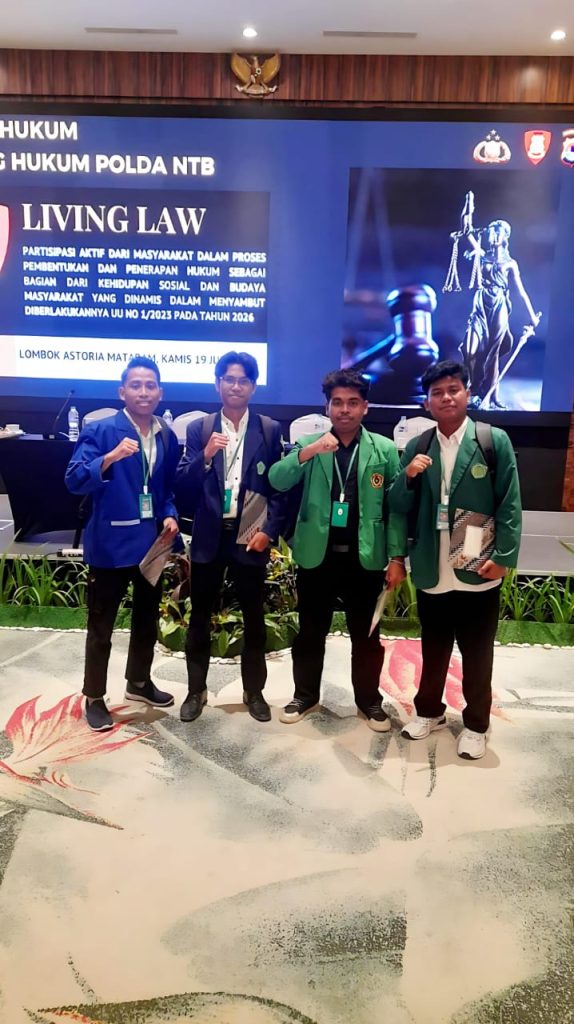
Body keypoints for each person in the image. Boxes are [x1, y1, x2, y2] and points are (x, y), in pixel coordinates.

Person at [389, 360, 521, 759]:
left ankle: (477, 723)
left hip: (478, 559)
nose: (446, 397)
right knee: (433, 646)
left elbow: (509, 503)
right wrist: (408, 476)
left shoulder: (492, 441)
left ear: (467, 394)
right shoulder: (419, 445)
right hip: (433, 561)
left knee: (477, 651)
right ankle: (429, 711)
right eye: (437, 392)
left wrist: (505, 556)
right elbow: (397, 504)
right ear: (427, 402)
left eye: (453, 390)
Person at [268, 369, 407, 730]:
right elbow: (277, 479)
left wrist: (396, 557)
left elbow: (395, 508)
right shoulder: (310, 444)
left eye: (353, 402)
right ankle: (305, 695)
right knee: (310, 632)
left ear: (365, 407)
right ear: (327, 407)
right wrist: (311, 451)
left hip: (366, 557)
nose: (345, 409)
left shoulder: (384, 449)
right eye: (338, 402)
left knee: (367, 636)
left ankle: (369, 700)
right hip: (318, 555)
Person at [65, 357, 180, 732]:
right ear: (122, 392)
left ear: (160, 392)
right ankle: (94, 696)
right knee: (102, 626)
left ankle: (139, 682)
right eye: (136, 385)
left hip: (151, 545)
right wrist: (110, 458)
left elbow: (165, 489)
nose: (144, 392)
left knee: (147, 620)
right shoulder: (100, 431)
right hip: (110, 546)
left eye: (150, 385)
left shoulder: (166, 435)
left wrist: (169, 514)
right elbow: (73, 479)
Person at [175, 351, 285, 724]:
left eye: (243, 380)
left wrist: (269, 531)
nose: (235, 386)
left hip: (250, 534)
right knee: (199, 618)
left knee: (254, 617)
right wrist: (205, 456)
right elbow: (183, 484)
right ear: (218, 383)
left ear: (252, 386)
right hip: (209, 536)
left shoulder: (268, 429)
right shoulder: (200, 428)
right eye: (229, 379)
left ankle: (254, 692)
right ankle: (196, 691)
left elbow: (278, 488)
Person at [460, 219, 540, 409]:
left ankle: (490, 396)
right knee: (470, 349)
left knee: (493, 353)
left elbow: (520, 291)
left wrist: (532, 316)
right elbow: (467, 230)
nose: (493, 236)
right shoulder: (481, 255)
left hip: (499, 305)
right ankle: (473, 388)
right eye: (491, 232)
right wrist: (468, 212)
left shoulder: (510, 263)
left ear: (505, 237)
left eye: (498, 233)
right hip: (481, 304)